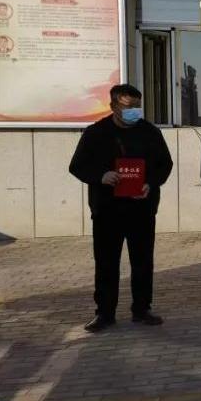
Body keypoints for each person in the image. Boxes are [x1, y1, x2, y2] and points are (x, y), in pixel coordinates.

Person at [69, 84, 174, 333]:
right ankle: (104, 313)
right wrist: (101, 175)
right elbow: (77, 166)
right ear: (113, 106)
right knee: (106, 263)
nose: (134, 111)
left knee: (142, 262)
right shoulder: (96, 133)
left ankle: (142, 309)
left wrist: (151, 183)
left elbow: (165, 164)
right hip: (107, 211)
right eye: (128, 106)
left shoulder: (149, 132)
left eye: (138, 106)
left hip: (142, 209)